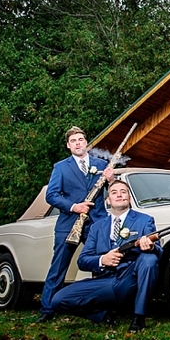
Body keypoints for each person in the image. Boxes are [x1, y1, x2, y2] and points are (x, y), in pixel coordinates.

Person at [49, 180, 162, 332]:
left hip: (130, 280)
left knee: (149, 258)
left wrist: (151, 246)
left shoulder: (145, 220)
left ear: (129, 197)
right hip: (105, 282)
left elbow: (160, 253)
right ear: (108, 200)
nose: (119, 195)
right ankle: (103, 315)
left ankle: (139, 317)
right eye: (114, 192)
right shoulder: (96, 227)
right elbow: (82, 260)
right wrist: (103, 260)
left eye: (123, 191)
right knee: (57, 300)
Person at [37, 126, 115, 322]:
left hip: (97, 224)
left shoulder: (101, 164)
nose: (78, 143)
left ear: (86, 142)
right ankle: (47, 310)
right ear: (68, 145)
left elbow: (114, 191)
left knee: (101, 266)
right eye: (74, 141)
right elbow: (51, 195)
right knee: (58, 267)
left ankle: (101, 311)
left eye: (81, 139)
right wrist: (74, 207)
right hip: (68, 223)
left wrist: (111, 180)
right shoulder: (61, 167)